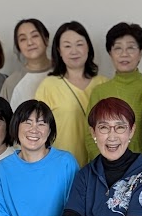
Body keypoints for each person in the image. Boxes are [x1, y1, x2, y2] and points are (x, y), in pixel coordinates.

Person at [85, 23, 142, 162]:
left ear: (141, 52)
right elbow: (90, 136)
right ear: (110, 53)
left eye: (131, 48)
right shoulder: (100, 91)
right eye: (118, 48)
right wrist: (107, 168)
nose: (124, 54)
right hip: (108, 169)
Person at [35, 21, 107, 166]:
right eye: (67, 46)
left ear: (88, 47)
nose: (74, 51)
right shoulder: (48, 85)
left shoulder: (103, 83)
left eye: (79, 44)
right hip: (60, 166)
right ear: (59, 51)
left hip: (100, 166)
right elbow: (37, 130)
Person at [0, 18, 52, 107]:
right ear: (18, 47)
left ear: (46, 40)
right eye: (23, 39)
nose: (30, 42)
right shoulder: (12, 83)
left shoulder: (64, 72)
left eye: (35, 36)